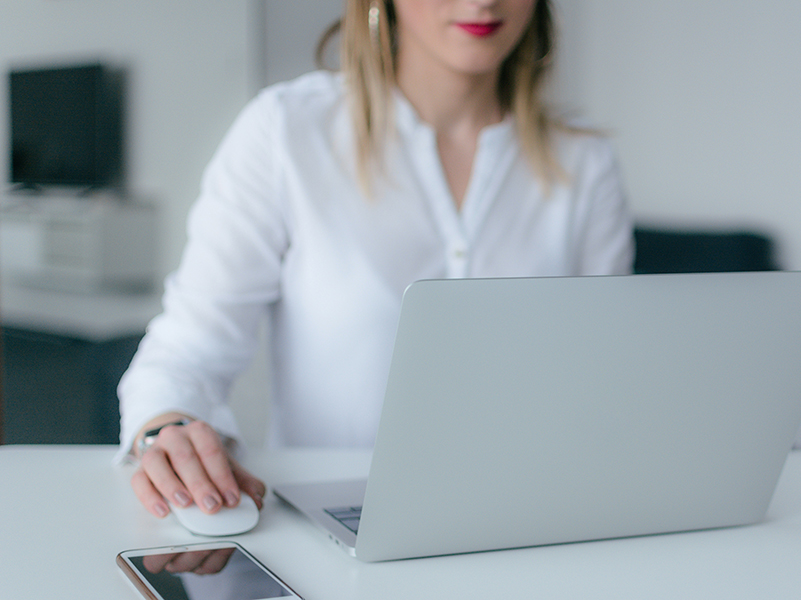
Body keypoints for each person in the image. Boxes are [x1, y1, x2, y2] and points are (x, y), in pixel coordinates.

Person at [117, 0, 634, 519]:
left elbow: (606, 381)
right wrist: (167, 430)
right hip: (336, 521)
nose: (483, 1)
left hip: (530, 516)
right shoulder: (287, 133)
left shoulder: (585, 164)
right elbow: (186, 353)